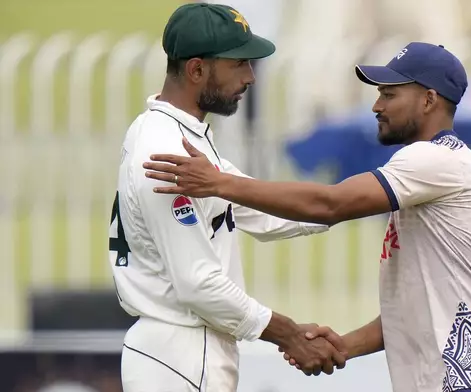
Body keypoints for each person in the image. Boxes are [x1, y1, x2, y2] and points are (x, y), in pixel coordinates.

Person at [143, 41, 471, 392]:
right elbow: (412, 308)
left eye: (389, 94)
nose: (377, 105)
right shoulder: (428, 173)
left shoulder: (433, 161)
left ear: (428, 100)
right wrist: (343, 346)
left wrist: (219, 183)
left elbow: (331, 204)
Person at [109, 4, 347, 392]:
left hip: (187, 353)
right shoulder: (165, 152)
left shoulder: (180, 135)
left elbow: (264, 212)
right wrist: (287, 334)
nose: (251, 77)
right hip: (180, 356)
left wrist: (365, 199)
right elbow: (198, 285)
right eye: (239, 64)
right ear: (197, 70)